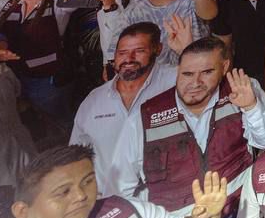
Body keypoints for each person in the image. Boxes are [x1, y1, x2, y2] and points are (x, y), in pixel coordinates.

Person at [116, 37, 265, 218]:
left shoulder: (242, 90)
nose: (195, 83)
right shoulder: (146, 115)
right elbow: (120, 185)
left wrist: (251, 107)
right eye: (187, 74)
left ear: (224, 67)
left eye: (206, 72)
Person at [8, 144, 229, 218]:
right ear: (22, 211)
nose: (81, 196)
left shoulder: (122, 212)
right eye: (63, 192)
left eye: (87, 182)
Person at [70, 20, 188, 193]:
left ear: (158, 49)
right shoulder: (94, 100)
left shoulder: (177, 80)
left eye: (139, 51)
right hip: (113, 201)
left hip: (172, 194)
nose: (129, 59)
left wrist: (186, 51)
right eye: (122, 52)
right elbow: (76, 155)